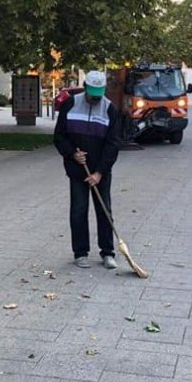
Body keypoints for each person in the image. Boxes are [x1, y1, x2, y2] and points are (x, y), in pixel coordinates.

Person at [53, 70, 121, 269]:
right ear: (85, 87)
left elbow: (113, 144)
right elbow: (59, 136)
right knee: (78, 211)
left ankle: (107, 252)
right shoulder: (71, 104)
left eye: (98, 94)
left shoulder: (110, 109)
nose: (95, 98)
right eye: (92, 94)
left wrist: (99, 172)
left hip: (101, 171)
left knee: (104, 210)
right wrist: (72, 153)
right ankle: (80, 253)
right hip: (77, 169)